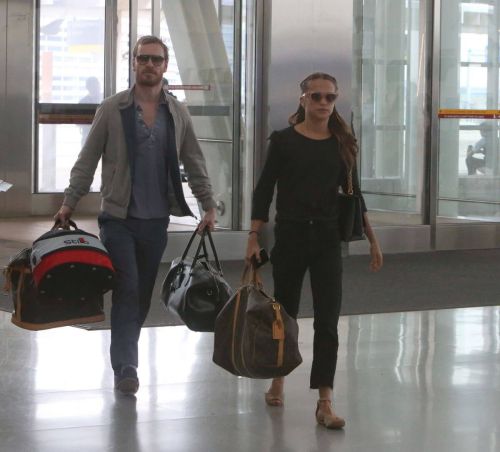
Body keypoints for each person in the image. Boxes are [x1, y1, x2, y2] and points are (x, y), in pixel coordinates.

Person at [54, 35, 217, 396]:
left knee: (141, 294)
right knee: (127, 289)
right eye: (143, 58)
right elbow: (87, 158)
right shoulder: (113, 109)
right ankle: (127, 366)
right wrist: (70, 201)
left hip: (156, 221)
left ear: (164, 65)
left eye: (156, 60)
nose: (149, 65)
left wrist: (208, 205)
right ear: (134, 63)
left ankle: (127, 350)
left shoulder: (176, 112)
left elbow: (194, 161)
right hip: (117, 219)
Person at [246, 72, 383, 429]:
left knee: (328, 319)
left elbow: (355, 195)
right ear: (303, 99)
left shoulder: (341, 143)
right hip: (290, 235)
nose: (323, 103)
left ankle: (325, 400)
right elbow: (264, 190)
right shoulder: (284, 141)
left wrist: (372, 238)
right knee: (284, 313)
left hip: (326, 238)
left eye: (330, 98)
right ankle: (278, 380)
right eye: (316, 96)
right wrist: (254, 234)